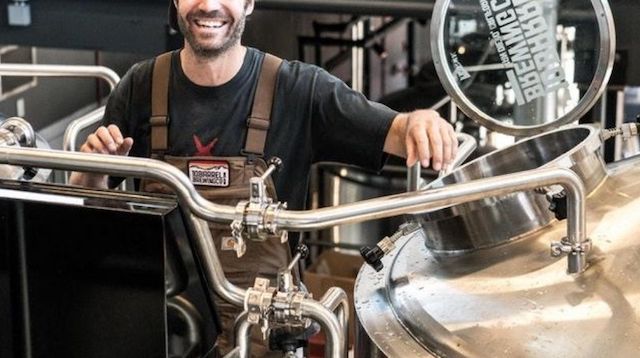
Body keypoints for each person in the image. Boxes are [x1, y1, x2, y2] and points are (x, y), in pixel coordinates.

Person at [70, 0, 458, 355]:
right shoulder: (140, 86)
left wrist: (419, 122)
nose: (208, 5)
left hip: (266, 334)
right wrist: (93, 173)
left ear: (249, 3)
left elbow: (394, 130)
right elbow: (91, 212)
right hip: (166, 327)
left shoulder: (298, 89)